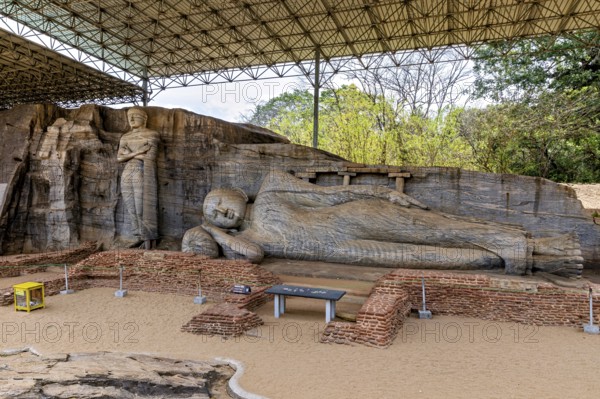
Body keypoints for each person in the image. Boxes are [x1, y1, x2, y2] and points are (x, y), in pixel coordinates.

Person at [184, 171, 583, 277]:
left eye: (218, 203)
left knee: (442, 228)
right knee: (438, 259)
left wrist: (382, 193)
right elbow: (251, 256)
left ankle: (543, 245)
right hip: (343, 250)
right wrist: (218, 234)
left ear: (234, 190)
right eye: (213, 215)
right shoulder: (248, 239)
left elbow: (330, 195)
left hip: (356, 216)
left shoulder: (271, 188)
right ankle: (526, 261)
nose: (219, 213)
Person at [117, 108, 160, 247]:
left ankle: (147, 236)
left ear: (144, 118)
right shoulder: (125, 137)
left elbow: (150, 157)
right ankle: (138, 235)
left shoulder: (152, 134)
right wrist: (139, 151)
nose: (132, 119)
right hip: (127, 172)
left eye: (135, 116)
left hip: (142, 172)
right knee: (131, 207)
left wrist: (129, 154)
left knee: (141, 206)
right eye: (129, 116)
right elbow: (119, 158)